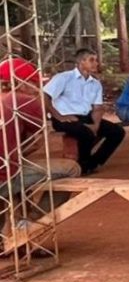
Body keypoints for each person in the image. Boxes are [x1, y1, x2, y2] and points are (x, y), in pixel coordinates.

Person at [1, 58, 81, 243]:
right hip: (4, 175)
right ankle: (33, 225)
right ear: (24, 82)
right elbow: (36, 142)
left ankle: (6, 235)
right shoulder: (21, 101)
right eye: (34, 83)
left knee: (19, 173)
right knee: (70, 168)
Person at [43, 49, 125, 176]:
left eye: (96, 60)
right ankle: (82, 165)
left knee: (117, 132)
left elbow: (97, 107)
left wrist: (96, 125)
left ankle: (93, 163)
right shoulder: (64, 78)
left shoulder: (95, 83)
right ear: (81, 62)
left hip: (86, 116)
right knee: (86, 133)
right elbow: (44, 96)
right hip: (65, 117)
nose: (96, 63)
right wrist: (58, 115)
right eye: (91, 60)